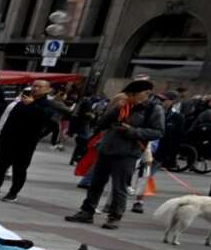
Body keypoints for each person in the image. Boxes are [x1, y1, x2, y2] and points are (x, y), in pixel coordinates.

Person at [68, 79, 166, 230]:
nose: (127, 97)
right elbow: (101, 124)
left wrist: (131, 131)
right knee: (96, 183)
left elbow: (158, 132)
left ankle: (114, 217)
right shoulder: (123, 106)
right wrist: (114, 109)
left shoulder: (153, 110)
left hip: (127, 153)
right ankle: (86, 212)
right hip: (106, 148)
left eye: (130, 95)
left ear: (142, 94)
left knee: (119, 187)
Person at [0, 79, 66, 201]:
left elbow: (48, 120)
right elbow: (10, 119)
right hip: (9, 139)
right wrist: (1, 137)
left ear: (47, 89)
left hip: (26, 142)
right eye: (34, 86)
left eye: (39, 87)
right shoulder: (23, 101)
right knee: (0, 166)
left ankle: (13, 193)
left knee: (19, 169)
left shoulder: (47, 104)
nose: (35, 88)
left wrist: (33, 105)